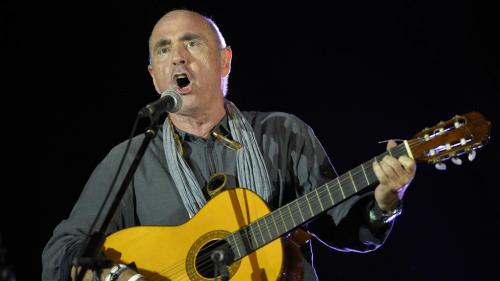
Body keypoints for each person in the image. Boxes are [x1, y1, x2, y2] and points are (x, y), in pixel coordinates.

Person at [42, 9, 416, 281]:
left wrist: (384, 202)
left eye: (192, 43)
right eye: (163, 49)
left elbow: (344, 227)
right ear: (155, 77)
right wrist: (121, 278)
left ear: (225, 61)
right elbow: (61, 254)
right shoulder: (130, 159)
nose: (178, 56)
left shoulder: (283, 133)